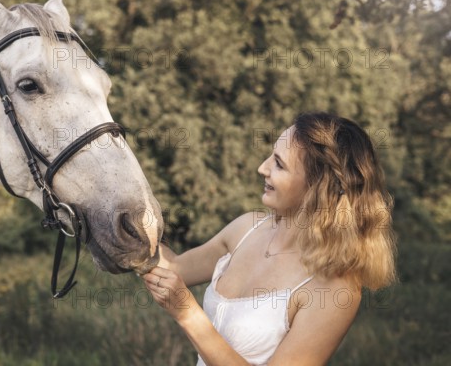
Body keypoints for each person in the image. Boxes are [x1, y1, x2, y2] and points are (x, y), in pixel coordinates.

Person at [142, 112, 397, 366]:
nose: (262, 168)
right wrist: (128, 220)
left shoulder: (334, 289)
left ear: (318, 188)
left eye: (279, 164)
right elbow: (173, 268)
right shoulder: (246, 228)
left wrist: (188, 315)